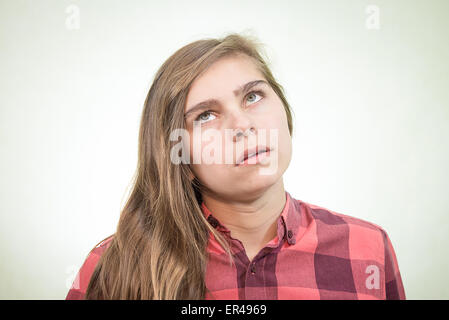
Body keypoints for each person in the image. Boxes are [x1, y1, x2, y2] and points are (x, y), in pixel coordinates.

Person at [66, 33, 405, 300]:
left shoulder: (368, 248)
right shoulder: (112, 267)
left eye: (253, 96)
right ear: (179, 155)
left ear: (284, 111)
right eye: (206, 116)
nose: (242, 124)